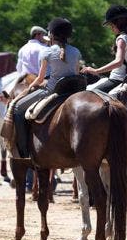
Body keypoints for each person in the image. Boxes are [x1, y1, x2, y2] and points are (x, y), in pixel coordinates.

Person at [10, 17, 81, 158]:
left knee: (18, 108)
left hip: (53, 91)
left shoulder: (47, 52)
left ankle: (24, 151)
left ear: (51, 34)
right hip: (74, 90)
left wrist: (30, 87)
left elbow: (40, 79)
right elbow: (76, 73)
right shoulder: (76, 51)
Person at [80, 5, 127, 103]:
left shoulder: (122, 38)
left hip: (118, 79)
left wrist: (96, 70)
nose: (111, 29)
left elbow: (118, 62)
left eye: (111, 25)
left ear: (118, 23)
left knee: (88, 96)